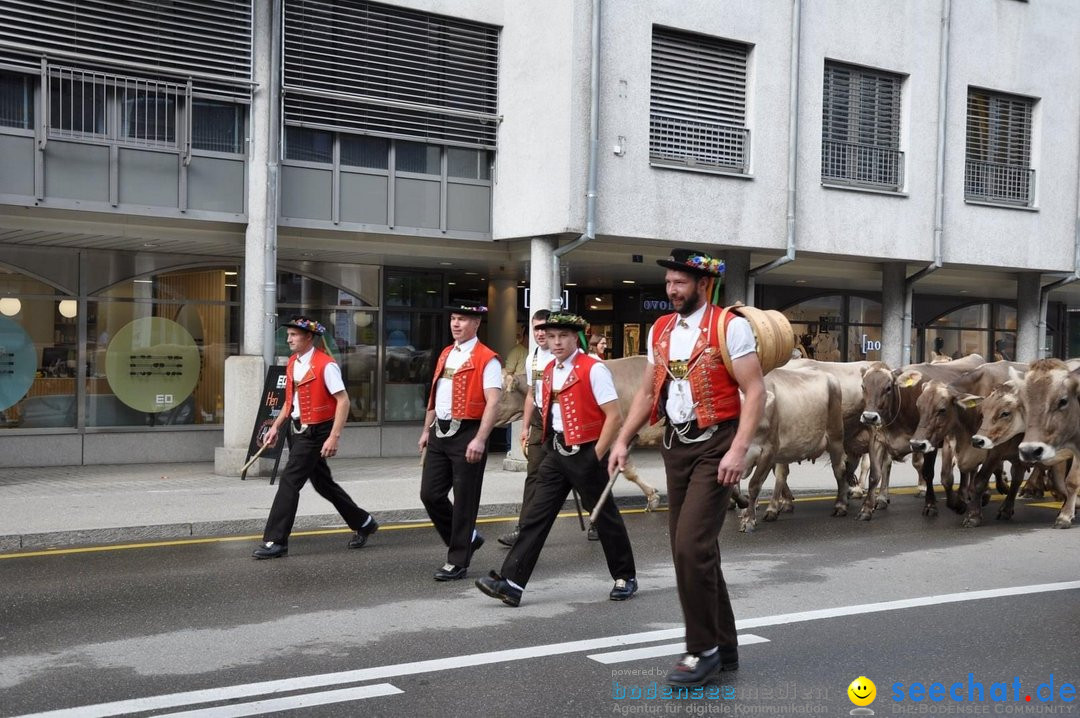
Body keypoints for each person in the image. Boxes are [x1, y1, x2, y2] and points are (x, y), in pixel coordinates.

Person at [609, 248, 765, 686]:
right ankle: (726, 643)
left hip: (717, 446)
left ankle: (703, 650)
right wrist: (623, 440)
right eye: (668, 284)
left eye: (679, 283)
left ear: (703, 284)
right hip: (675, 445)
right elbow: (646, 394)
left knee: (690, 548)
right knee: (696, 548)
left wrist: (738, 450)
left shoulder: (729, 327)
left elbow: (755, 392)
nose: (671, 291)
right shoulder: (659, 329)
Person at [476, 312, 638, 607]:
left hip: (588, 452)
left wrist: (597, 456)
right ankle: (511, 583)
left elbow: (614, 417)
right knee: (535, 517)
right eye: (551, 337)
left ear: (575, 337)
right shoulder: (548, 370)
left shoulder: (594, 369)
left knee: (605, 517)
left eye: (562, 336)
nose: (556, 342)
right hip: (556, 450)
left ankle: (625, 576)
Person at [253, 316, 378, 559]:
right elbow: (290, 402)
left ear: (309, 337)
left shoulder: (325, 365)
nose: (288, 339)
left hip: (317, 432)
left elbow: (343, 401)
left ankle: (275, 540)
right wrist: (276, 427)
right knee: (323, 483)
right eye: (288, 335)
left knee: (289, 481)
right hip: (296, 430)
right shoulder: (292, 363)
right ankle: (364, 522)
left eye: (293, 335)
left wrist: (334, 437)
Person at [419, 301, 503, 581]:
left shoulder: (487, 358)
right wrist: (425, 429)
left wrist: (481, 438)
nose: (456, 324)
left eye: (462, 319)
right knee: (430, 494)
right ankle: (467, 539)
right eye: (453, 319)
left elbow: (494, 403)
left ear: (476, 324)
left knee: (465, 500)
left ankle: (457, 559)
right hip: (439, 432)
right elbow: (435, 394)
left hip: (468, 432)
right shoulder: (445, 353)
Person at [499, 309, 551, 547]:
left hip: (565, 421)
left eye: (544, 327)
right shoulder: (533, 357)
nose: (540, 333)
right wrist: (525, 426)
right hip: (540, 421)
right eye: (536, 328)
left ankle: (599, 520)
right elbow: (531, 393)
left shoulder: (568, 354)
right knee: (534, 475)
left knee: (582, 475)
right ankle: (523, 529)